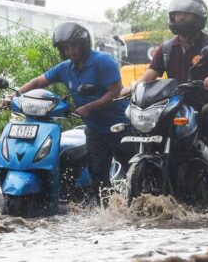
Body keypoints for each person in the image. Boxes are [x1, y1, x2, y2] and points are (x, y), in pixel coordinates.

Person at [12, 22, 129, 204]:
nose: (69, 52)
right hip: (95, 129)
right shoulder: (65, 68)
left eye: (72, 46)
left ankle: (141, 207)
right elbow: (38, 82)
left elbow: (115, 92)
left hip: (120, 126)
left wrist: (89, 107)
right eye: (65, 48)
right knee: (97, 173)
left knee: (131, 169)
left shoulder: (103, 61)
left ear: (83, 44)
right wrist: (14, 95)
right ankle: (109, 210)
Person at [128, 0, 208, 193]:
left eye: (186, 15)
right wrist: (133, 86)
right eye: (177, 15)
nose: (181, 18)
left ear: (198, 18)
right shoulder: (167, 48)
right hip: (179, 106)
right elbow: (151, 74)